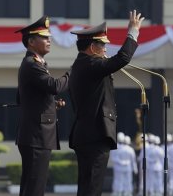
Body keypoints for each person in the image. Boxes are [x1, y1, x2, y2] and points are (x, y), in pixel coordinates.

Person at [68, 10, 144, 196]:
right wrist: (132, 32)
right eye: (102, 45)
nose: (105, 50)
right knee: (92, 188)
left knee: (88, 187)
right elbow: (122, 58)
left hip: (87, 134)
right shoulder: (90, 64)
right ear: (92, 47)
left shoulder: (81, 65)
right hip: (94, 134)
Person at [15, 16, 70, 196]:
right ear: (31, 41)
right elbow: (54, 86)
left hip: (36, 135)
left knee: (33, 187)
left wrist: (52, 105)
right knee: (34, 188)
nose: (49, 40)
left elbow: (27, 98)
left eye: (49, 37)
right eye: (44, 37)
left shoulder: (35, 63)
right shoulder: (32, 64)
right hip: (36, 136)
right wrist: (72, 75)